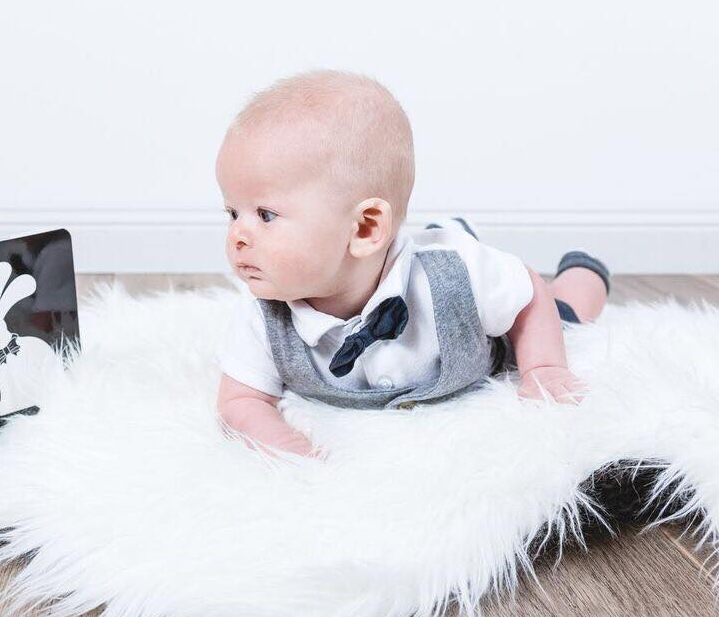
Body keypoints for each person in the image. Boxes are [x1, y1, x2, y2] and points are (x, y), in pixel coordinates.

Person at [214, 70, 610, 459]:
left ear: (365, 227)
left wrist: (542, 366)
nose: (238, 235)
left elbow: (526, 294)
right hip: (390, 253)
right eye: (233, 212)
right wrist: (289, 449)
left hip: (476, 324)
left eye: (265, 215)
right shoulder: (263, 314)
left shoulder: (456, 276)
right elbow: (241, 400)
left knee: (562, 314)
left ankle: (584, 270)